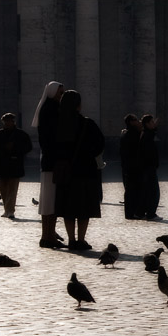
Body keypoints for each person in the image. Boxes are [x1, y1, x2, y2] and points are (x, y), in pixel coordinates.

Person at [53, 90, 105, 250]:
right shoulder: (87, 124)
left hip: (65, 171)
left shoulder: (57, 123)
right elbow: (100, 145)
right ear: (78, 105)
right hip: (86, 171)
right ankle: (81, 240)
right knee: (84, 208)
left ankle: (71, 239)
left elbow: (50, 146)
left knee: (68, 208)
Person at [31, 81, 66, 248]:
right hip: (53, 161)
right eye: (60, 93)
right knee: (50, 201)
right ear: (53, 93)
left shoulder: (48, 108)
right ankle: (48, 237)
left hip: (48, 160)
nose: (62, 96)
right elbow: (53, 137)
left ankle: (48, 235)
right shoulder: (52, 110)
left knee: (48, 201)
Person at [0, 113, 33, 219]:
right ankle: (7, 209)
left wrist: (16, 150)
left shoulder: (21, 134)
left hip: (15, 165)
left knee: (12, 189)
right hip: (2, 165)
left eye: (9, 121)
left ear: (13, 122)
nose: (7, 123)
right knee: (3, 189)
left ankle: (10, 210)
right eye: (5, 121)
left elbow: (28, 147)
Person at [120, 113, 143, 219]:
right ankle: (133, 212)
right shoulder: (133, 134)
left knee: (130, 190)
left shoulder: (125, 133)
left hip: (127, 166)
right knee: (133, 190)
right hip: (134, 166)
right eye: (136, 120)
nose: (138, 121)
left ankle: (130, 212)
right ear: (131, 122)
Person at [138, 114, 162, 220]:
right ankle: (151, 213)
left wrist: (154, 127)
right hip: (149, 167)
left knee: (147, 191)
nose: (153, 123)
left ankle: (143, 212)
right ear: (147, 124)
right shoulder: (147, 135)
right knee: (153, 192)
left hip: (148, 167)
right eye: (151, 122)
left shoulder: (146, 134)